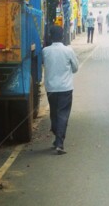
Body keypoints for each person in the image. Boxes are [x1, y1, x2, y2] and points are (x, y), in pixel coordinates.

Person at [42, 25, 79, 155]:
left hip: (51, 88)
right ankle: (59, 143)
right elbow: (75, 68)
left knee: (54, 113)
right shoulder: (68, 51)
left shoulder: (45, 51)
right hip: (65, 88)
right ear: (62, 36)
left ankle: (56, 138)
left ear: (50, 37)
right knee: (63, 114)